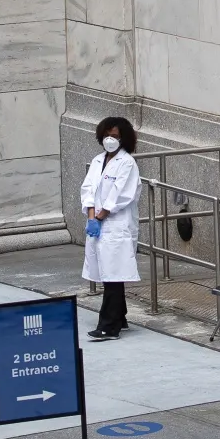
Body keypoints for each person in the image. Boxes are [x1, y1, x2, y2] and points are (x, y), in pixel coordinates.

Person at [79, 116, 141, 341]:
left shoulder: (127, 163)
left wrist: (102, 214)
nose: (110, 140)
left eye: (114, 136)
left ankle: (109, 326)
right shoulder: (98, 161)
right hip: (98, 223)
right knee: (108, 273)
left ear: (123, 138)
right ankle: (120, 317)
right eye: (107, 135)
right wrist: (92, 216)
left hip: (117, 225)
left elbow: (121, 194)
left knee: (114, 275)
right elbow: (88, 189)